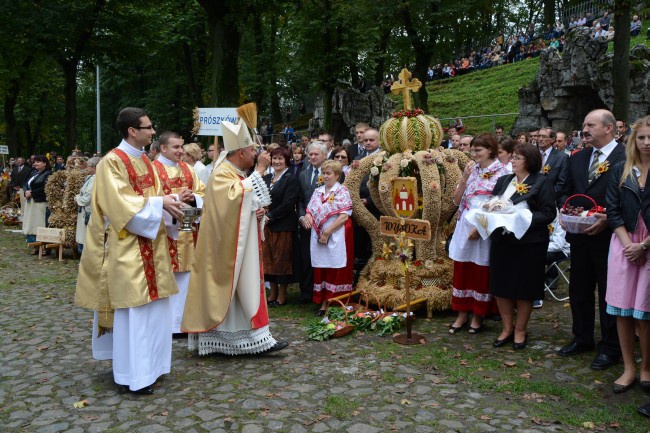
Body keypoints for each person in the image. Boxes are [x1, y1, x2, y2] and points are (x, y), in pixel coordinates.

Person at [75, 107, 185, 395]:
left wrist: (171, 202)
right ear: (132, 131)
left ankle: (154, 368)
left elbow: (155, 197)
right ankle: (133, 375)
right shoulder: (111, 163)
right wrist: (160, 204)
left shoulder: (147, 162)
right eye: (148, 128)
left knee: (156, 311)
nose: (152, 132)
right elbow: (119, 205)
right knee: (134, 313)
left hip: (153, 245)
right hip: (128, 248)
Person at [181, 117, 288, 355]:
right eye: (251, 150)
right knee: (236, 286)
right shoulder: (222, 173)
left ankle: (251, 339)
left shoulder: (234, 172)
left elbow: (242, 200)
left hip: (239, 242)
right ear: (240, 152)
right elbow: (230, 202)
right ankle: (232, 340)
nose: (255, 154)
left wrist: (256, 210)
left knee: (246, 287)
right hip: (225, 248)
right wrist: (260, 170)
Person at [558, 109, 625, 370]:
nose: (584, 129)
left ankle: (610, 347)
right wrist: (566, 211)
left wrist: (609, 218)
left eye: (590, 125)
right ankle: (582, 337)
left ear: (609, 128)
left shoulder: (625, 156)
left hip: (611, 236)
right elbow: (564, 190)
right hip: (579, 235)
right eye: (583, 124)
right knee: (579, 288)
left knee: (609, 292)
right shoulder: (578, 157)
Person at [489, 144, 556, 349]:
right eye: (513, 157)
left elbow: (548, 213)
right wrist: (489, 208)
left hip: (529, 243)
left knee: (524, 287)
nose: (513, 161)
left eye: (517, 158)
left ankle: (520, 330)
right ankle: (507, 328)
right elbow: (493, 203)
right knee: (502, 286)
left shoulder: (541, 182)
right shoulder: (503, 180)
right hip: (502, 241)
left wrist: (522, 217)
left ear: (529, 161)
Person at [604, 115, 650, 394]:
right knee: (622, 311)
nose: (647, 142)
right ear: (634, 140)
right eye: (642, 137)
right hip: (623, 245)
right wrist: (628, 244)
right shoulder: (622, 168)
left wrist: (644, 246)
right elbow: (612, 210)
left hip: (647, 246)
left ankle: (647, 366)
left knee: (644, 312)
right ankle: (629, 367)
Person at [448, 134, 509, 334]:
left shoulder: (502, 172)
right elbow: (456, 201)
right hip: (465, 221)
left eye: (478, 150)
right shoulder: (472, 170)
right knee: (463, 267)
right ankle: (462, 312)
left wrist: (481, 226)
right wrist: (464, 178)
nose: (474, 154)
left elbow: (501, 203)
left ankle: (478, 314)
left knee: (480, 269)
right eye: (472, 150)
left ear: (490, 150)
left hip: (484, 224)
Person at [152, 131, 205, 336]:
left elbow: (202, 193)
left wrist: (193, 199)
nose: (180, 151)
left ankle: (183, 322)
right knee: (167, 276)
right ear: (163, 148)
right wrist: (174, 197)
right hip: (164, 233)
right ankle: (167, 325)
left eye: (181, 147)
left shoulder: (188, 170)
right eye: (176, 147)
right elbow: (148, 199)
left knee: (187, 278)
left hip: (188, 233)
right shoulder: (153, 170)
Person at [304, 160, 354, 315]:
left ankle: (332, 301)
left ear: (337, 175)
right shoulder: (318, 191)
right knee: (321, 267)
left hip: (336, 233)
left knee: (335, 267)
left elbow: (344, 216)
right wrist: (307, 218)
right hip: (318, 234)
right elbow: (310, 210)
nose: (325, 176)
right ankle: (322, 300)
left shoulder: (342, 191)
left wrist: (327, 233)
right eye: (323, 173)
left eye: (329, 173)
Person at [262, 147, 300, 307]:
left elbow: (288, 203)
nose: (277, 161)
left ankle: (282, 296)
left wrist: (270, 216)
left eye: (280, 159)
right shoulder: (267, 177)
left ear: (286, 161)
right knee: (269, 260)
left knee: (282, 261)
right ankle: (273, 293)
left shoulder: (291, 179)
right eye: (274, 158)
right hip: (266, 225)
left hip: (283, 225)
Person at [298, 141, 329, 303]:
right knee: (306, 258)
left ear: (325, 155)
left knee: (323, 259)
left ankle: (323, 292)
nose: (313, 157)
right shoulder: (303, 174)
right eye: (310, 154)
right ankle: (307, 291)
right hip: (307, 224)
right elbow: (301, 199)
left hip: (325, 223)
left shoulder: (331, 173)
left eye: (316, 154)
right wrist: (303, 216)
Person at [22, 155, 52, 253]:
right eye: (35, 162)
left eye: (38, 162)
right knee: (31, 223)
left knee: (40, 224)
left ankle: (44, 246)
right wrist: (26, 191)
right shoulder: (33, 173)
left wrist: (32, 193)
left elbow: (45, 188)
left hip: (40, 202)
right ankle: (34, 245)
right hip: (31, 202)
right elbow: (26, 183)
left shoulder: (48, 174)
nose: (35, 163)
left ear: (45, 163)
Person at [74, 156, 101, 254]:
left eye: (89, 166)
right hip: (87, 211)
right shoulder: (92, 178)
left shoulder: (95, 179)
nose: (87, 168)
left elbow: (87, 198)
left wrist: (77, 198)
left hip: (88, 211)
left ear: (95, 167)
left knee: (86, 237)